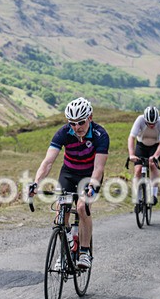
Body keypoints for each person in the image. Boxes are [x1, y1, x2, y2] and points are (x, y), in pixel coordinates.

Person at [28, 97, 109, 270]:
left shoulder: (100, 135)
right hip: (69, 173)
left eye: (81, 122)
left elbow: (98, 168)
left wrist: (91, 187)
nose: (76, 127)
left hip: (89, 176)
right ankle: (65, 251)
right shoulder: (64, 133)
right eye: (72, 123)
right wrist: (36, 183)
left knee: (82, 207)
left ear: (90, 117)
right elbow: (48, 162)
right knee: (61, 210)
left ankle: (84, 252)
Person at [128, 106, 160, 207]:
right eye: (149, 123)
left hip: (155, 146)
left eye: (153, 123)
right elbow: (131, 137)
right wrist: (131, 154)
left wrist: (155, 156)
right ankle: (137, 197)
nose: (151, 125)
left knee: (152, 165)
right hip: (141, 145)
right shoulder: (140, 119)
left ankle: (153, 194)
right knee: (138, 170)